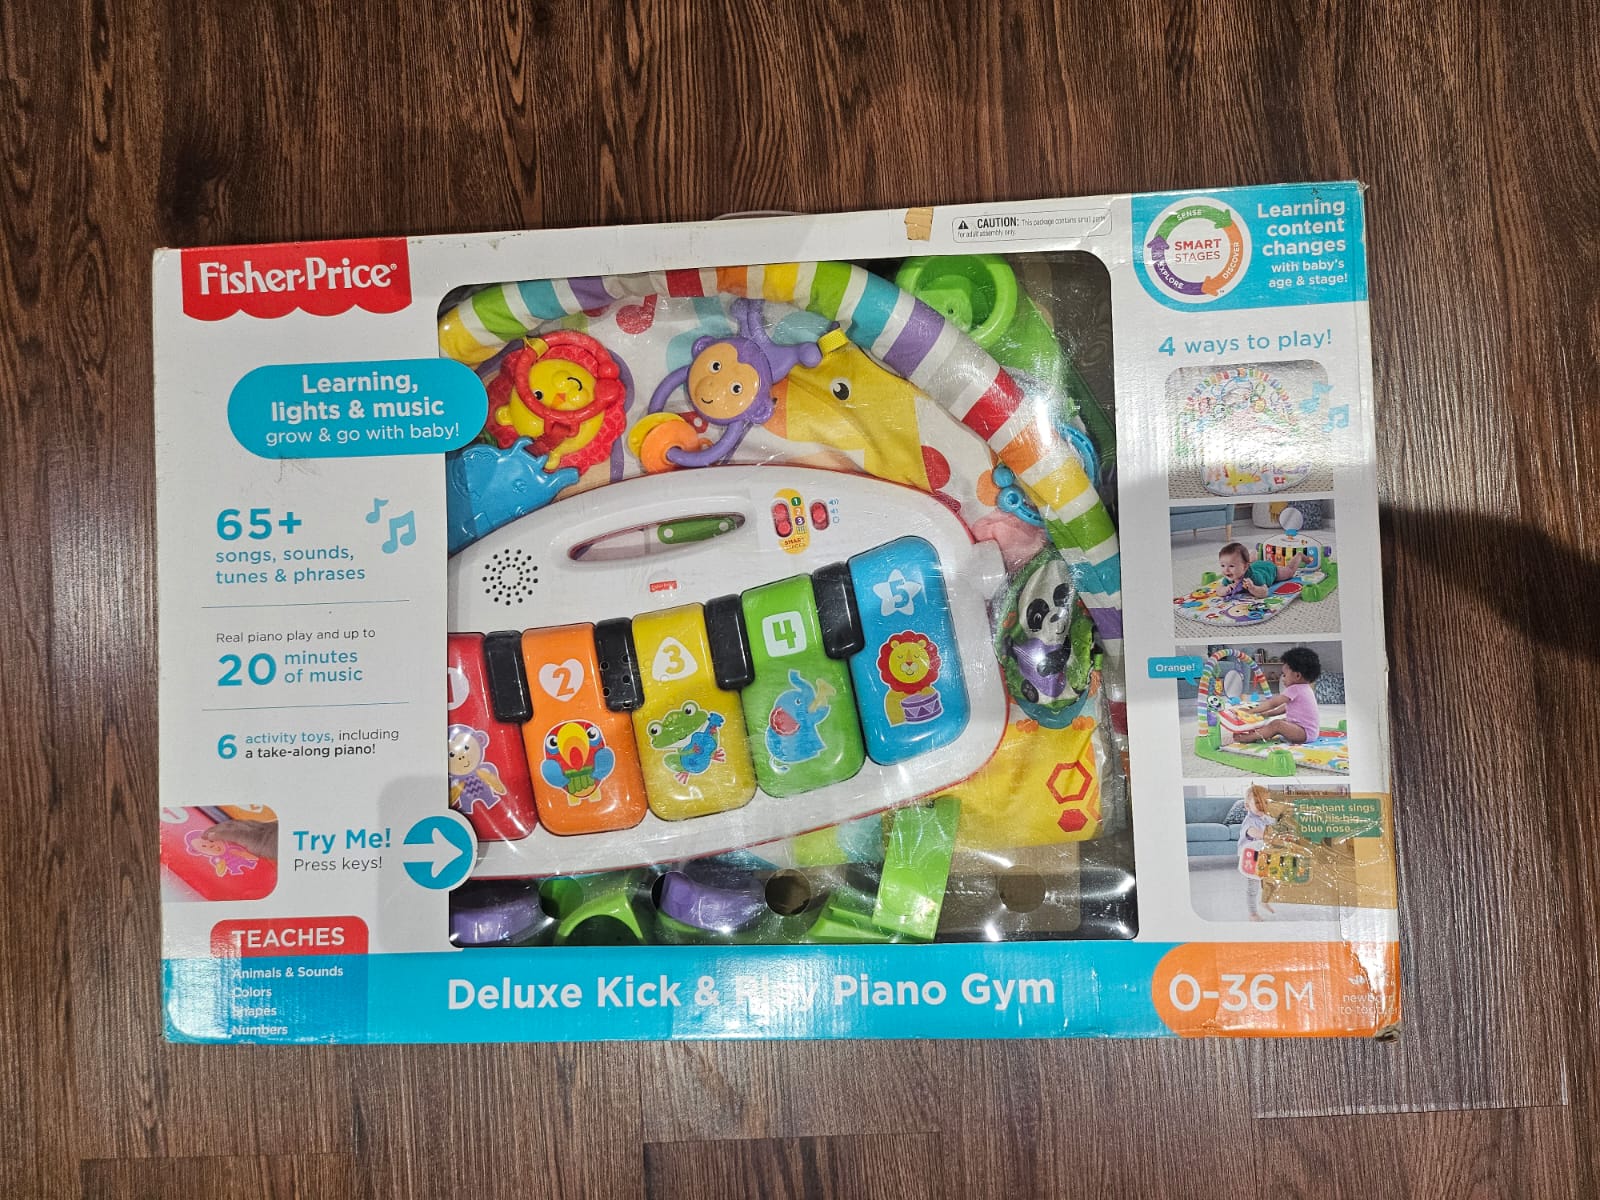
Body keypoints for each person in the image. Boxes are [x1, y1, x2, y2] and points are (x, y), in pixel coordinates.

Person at [1234, 646, 1322, 745]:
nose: (1282, 678)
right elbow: (1286, 708)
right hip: (1310, 732)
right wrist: (1267, 714)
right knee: (1281, 722)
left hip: (1304, 733)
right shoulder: (1306, 688)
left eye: (1284, 675)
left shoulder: (1295, 689)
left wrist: (1251, 711)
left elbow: (1272, 703)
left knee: (1277, 724)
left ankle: (1249, 738)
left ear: (1297, 676)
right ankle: (1264, 733)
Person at [1217, 541, 1303, 599]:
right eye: (1222, 565)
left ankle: (1299, 555)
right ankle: (1255, 553)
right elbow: (1218, 590)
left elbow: (1264, 592)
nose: (1226, 570)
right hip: (1254, 565)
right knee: (1251, 562)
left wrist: (1253, 588)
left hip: (1268, 569)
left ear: (1245, 567)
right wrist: (1225, 589)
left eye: (1231, 566)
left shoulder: (1254, 577)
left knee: (1289, 572)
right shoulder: (1229, 578)